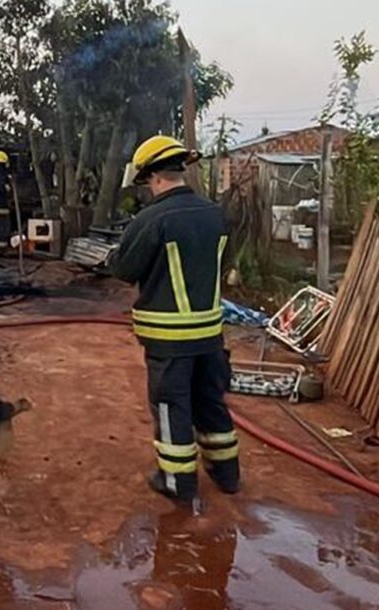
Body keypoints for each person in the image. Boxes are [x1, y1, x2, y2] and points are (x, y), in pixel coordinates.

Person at [109, 135, 240, 504]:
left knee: (171, 408)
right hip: (211, 335)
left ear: (154, 177)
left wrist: (111, 257)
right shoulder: (215, 214)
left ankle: (177, 481)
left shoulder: (152, 219)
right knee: (210, 401)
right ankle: (227, 474)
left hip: (169, 342)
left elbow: (124, 269)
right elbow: (219, 266)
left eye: (147, 182)